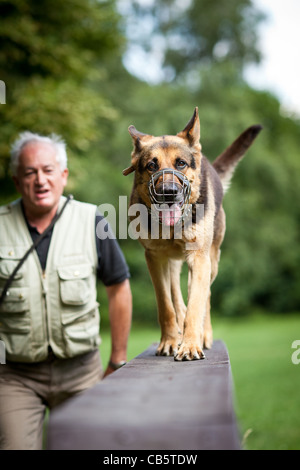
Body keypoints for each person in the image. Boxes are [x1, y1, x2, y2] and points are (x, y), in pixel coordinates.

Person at [0, 131, 132, 450]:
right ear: (17, 182)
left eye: (48, 170)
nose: (40, 180)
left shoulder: (92, 220)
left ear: (63, 176)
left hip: (81, 372)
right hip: (14, 376)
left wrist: (116, 360)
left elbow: (118, 287)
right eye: (30, 172)